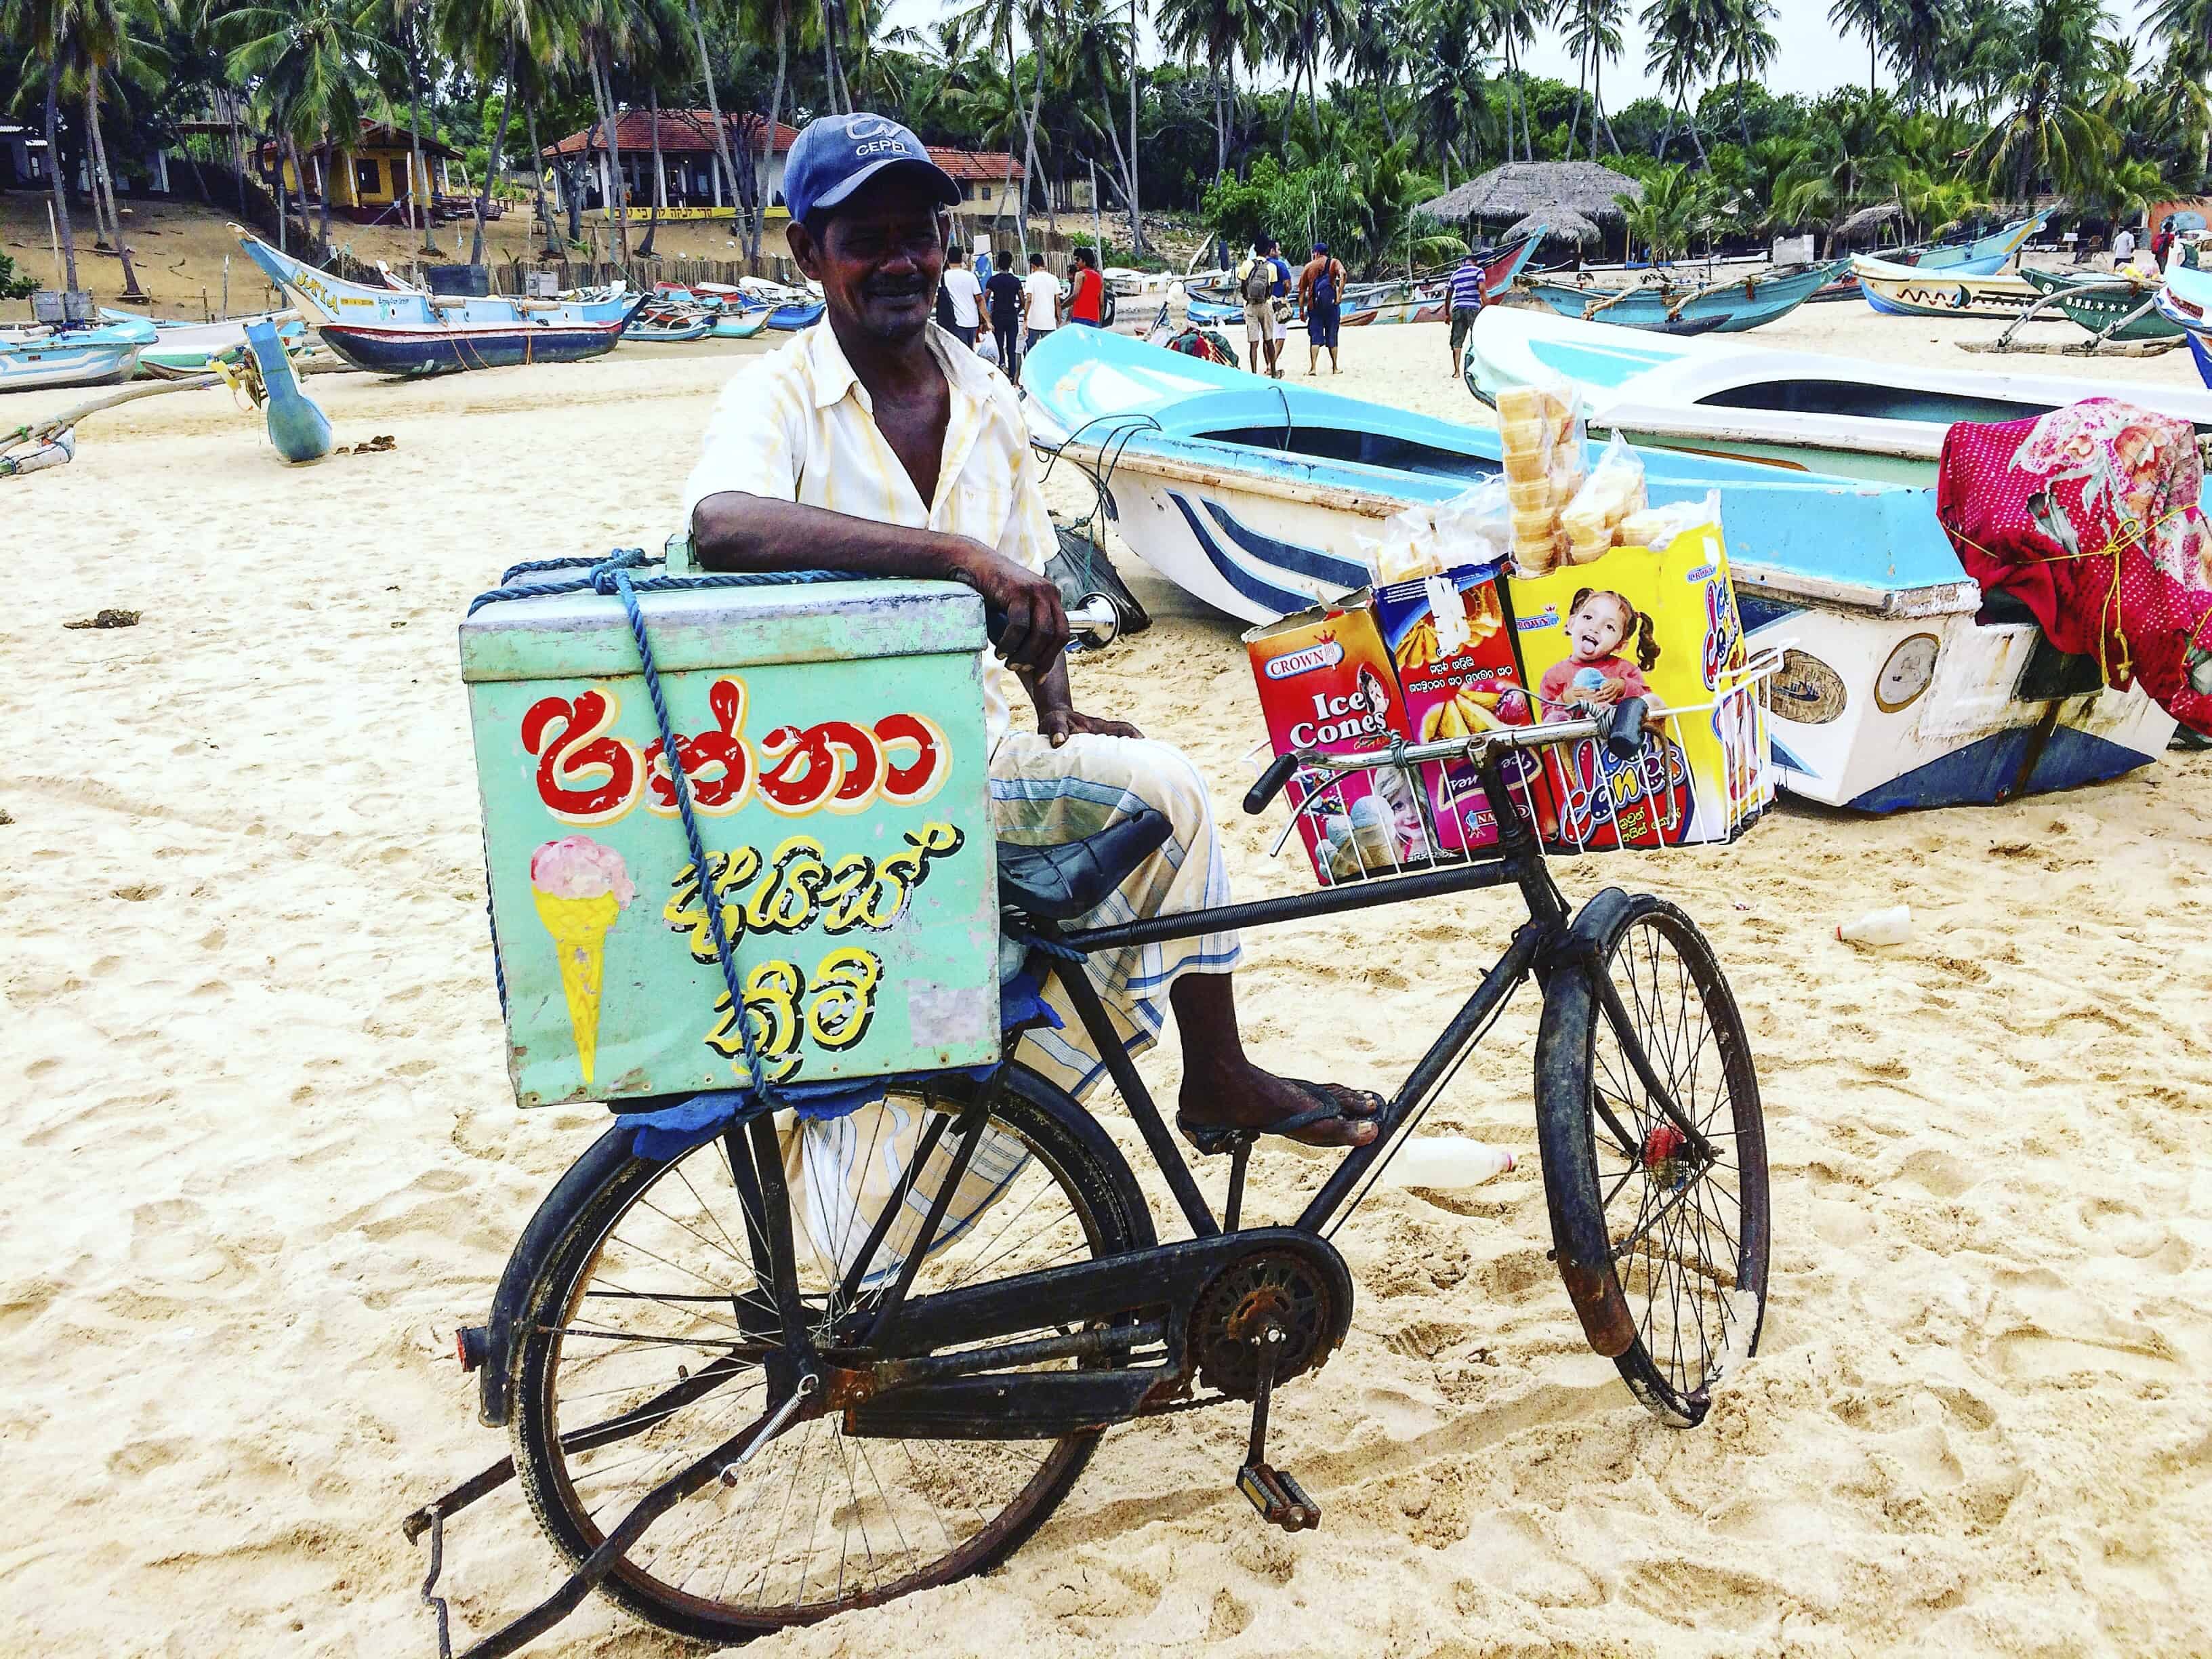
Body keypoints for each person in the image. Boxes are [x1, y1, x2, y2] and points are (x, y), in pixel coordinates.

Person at [683, 111, 1382, 1149]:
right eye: (865, 238)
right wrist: (955, 559)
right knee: (1176, 799)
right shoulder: (780, 394)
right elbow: (720, 524)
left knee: (1162, 792)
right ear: (808, 253)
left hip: (962, 755)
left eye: (920, 234)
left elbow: (1027, 596)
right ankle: (1215, 1079)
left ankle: (1212, 1074)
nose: (901, 262)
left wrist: (1057, 707)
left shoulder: (986, 397)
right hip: (823, 790)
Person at [1235, 236, 1290, 378]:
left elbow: (1242, 287)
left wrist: (1248, 299)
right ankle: (1272, 372)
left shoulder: (1246, 265)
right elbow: (1270, 289)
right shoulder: (1271, 267)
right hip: (1266, 305)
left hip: (1250, 306)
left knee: (1253, 343)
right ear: (1267, 250)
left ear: (1254, 250)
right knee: (1269, 340)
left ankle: (1254, 373)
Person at [1298, 241, 1346, 375]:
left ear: (1316, 253)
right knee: (1333, 335)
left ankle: (1313, 368)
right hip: (1332, 305)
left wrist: (1301, 311)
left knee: (1315, 337)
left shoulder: (1309, 267)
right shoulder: (1334, 263)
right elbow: (1343, 274)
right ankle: (1335, 367)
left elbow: (1301, 291)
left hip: (1315, 307)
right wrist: (1339, 295)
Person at [984, 246, 1024, 376]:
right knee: (1011, 348)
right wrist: (1017, 311)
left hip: (998, 317)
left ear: (998, 263)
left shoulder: (993, 280)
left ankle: (1001, 371)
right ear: (1011, 263)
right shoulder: (1015, 281)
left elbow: (985, 298)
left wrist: (987, 317)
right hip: (1012, 316)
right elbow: (1023, 301)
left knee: (999, 346)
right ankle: (1012, 376)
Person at [1447, 247, 1486, 382]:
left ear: (1464, 262)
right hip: (1473, 308)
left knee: (1457, 340)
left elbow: (1449, 295)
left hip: (1458, 308)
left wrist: (1447, 314)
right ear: (1475, 262)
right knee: (1477, 338)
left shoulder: (1455, 274)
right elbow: (1481, 289)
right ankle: (1476, 369)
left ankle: (1457, 372)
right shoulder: (1478, 271)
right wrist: (1488, 304)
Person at [940, 243, 983, 348]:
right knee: (970, 352)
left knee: (960, 354)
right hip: (973, 322)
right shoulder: (971, 277)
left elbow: (937, 299)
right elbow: (980, 300)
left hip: (956, 323)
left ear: (947, 259)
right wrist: (986, 320)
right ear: (961, 259)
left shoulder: (944, 277)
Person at [1023, 250, 1061, 357]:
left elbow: (1029, 299)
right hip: (1049, 321)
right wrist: (1059, 319)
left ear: (1033, 266)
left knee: (1031, 349)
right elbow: (1057, 301)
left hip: (1034, 321)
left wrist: (1026, 318)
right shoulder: (1054, 279)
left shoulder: (1031, 278)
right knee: (1049, 350)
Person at [1068, 246, 1106, 329]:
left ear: (1085, 261)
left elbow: (1075, 295)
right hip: (1095, 319)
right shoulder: (1099, 278)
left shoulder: (1080, 275)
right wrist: (1100, 321)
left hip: (1079, 317)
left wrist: (1062, 306)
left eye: (1078, 260)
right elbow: (1102, 303)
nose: (1075, 262)